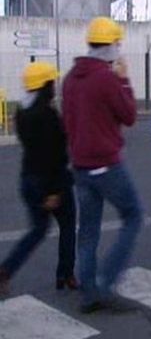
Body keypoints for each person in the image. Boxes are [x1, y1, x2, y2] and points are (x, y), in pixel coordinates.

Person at [62, 16, 143, 313]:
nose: (119, 50)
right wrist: (124, 78)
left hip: (80, 166)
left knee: (88, 231)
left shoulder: (70, 78)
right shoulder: (106, 78)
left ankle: (89, 294)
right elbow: (129, 115)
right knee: (133, 216)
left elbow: (67, 123)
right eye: (118, 44)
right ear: (110, 47)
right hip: (106, 164)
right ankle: (107, 283)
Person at [0, 62, 77, 295]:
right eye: (51, 82)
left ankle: (6, 270)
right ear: (45, 86)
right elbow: (54, 154)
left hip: (29, 180)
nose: (54, 86)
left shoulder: (22, 113)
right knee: (67, 225)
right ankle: (65, 274)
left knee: (38, 229)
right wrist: (53, 192)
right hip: (52, 181)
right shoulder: (47, 115)